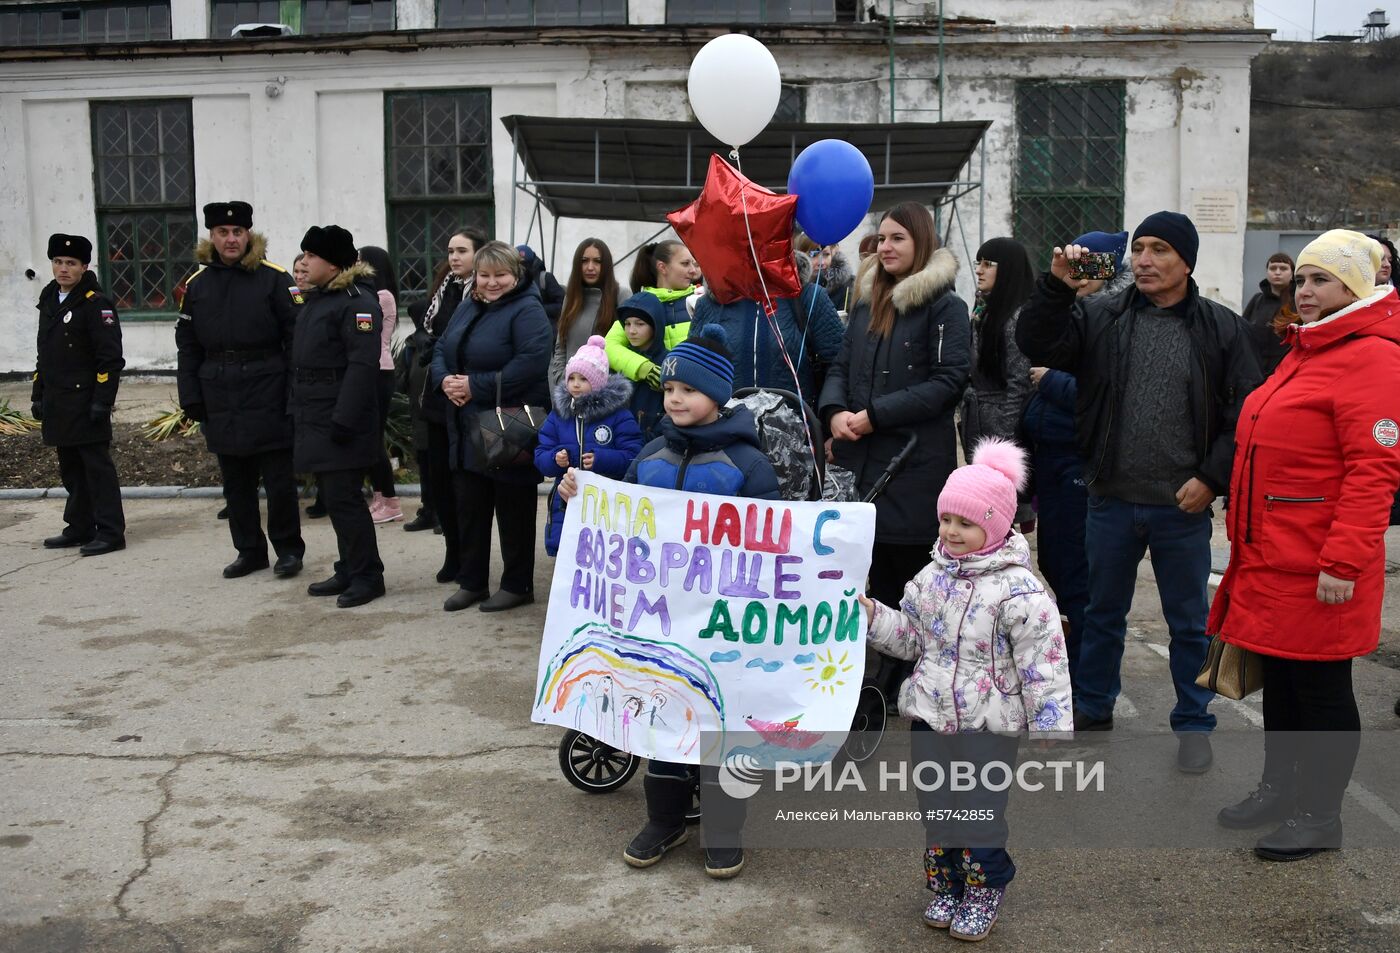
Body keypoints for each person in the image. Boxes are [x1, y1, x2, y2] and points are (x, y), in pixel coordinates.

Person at [1015, 210, 1263, 773]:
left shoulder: (1222, 328)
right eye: (1141, 249)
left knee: (1188, 623)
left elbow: (1244, 412)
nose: (1144, 260)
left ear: (1187, 262)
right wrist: (1056, 287)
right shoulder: (1101, 315)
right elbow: (1037, 341)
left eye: (1160, 250)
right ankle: (1095, 706)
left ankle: (1194, 723)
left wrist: (1211, 479)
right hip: (1110, 499)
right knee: (1103, 613)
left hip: (1183, 505)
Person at [557, 324, 780, 879]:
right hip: (658, 622)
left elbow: (777, 541)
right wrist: (580, 498)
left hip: (722, 626)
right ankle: (665, 819)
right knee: (659, 717)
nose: (675, 398)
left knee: (718, 728)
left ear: (719, 396)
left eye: (689, 390)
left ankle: (724, 828)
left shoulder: (748, 466)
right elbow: (619, 517)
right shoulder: (651, 455)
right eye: (669, 390)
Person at [1209, 230, 1400, 860]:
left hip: (1320, 562)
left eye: (1322, 279)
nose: (1304, 290)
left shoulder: (1372, 356)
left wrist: (1343, 560)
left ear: (1359, 287)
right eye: (1303, 278)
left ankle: (1321, 815)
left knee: (1320, 690)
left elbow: (1374, 470)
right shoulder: (1308, 348)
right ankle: (1279, 789)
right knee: (1285, 682)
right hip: (1272, 556)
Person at [859, 438, 1071, 941]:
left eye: (966, 523)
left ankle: (983, 889)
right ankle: (949, 885)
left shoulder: (1020, 589)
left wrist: (1050, 722)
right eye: (946, 520)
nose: (951, 532)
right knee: (937, 808)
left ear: (995, 526)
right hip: (931, 716)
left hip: (988, 725)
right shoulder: (931, 577)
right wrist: (872, 617)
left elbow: (1045, 662)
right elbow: (910, 637)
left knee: (978, 811)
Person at [819, 201, 971, 611]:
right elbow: (841, 365)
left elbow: (948, 382)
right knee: (855, 583)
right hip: (860, 466)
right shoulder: (867, 304)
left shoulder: (945, 307)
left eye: (897, 238)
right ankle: (866, 672)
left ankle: (899, 675)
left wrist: (875, 416)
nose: (885, 247)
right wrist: (833, 411)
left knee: (902, 587)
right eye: (882, 238)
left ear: (921, 242)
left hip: (911, 468)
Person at [1022, 230, 1133, 683]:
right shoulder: (1069, 312)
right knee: (1056, 563)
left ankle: (1088, 675)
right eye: (1077, 265)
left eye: (1092, 267)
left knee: (1079, 575)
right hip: (1051, 462)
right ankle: (1077, 657)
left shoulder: (1112, 320)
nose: (1082, 275)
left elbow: (1108, 394)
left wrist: (1049, 381)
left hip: (1081, 464)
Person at [176, 201, 304, 579]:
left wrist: (294, 393)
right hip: (220, 392)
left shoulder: (275, 278)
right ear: (211, 237)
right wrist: (191, 396)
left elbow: (297, 338)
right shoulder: (197, 286)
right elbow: (187, 345)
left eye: (237, 232)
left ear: (249, 234)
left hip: (268, 388)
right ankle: (249, 551)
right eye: (222, 232)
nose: (230, 239)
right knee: (236, 484)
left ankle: (288, 551)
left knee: (279, 481)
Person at [431, 240, 552, 613]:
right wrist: (446, 381)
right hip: (465, 420)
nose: (491, 282)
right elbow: (441, 347)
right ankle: (472, 581)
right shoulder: (468, 305)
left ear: (515, 275)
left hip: (507, 420)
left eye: (500, 275)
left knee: (512, 505)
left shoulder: (528, 310)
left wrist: (474, 385)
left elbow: (531, 362)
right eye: (484, 275)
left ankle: (517, 584)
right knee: (470, 504)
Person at [291, 225, 386, 608]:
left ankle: (367, 575)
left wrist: (343, 419)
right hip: (315, 412)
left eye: (311, 256)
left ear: (331, 263)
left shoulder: (357, 301)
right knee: (333, 497)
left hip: (340, 417)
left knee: (345, 498)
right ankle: (349, 566)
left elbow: (362, 365)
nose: (305, 262)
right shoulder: (319, 299)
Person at [31, 233, 125, 556]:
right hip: (59, 400)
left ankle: (111, 530)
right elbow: (44, 353)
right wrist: (37, 392)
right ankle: (80, 526)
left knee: (97, 469)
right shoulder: (49, 300)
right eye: (58, 262)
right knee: (70, 468)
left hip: (86, 401)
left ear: (84, 266)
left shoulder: (95, 303)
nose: (63, 269)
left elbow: (110, 358)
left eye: (71, 263)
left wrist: (103, 400)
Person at [534, 335, 643, 557]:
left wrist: (602, 459)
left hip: (606, 500)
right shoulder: (559, 416)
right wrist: (556, 459)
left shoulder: (619, 416)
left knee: (604, 554)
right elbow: (541, 455)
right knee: (568, 552)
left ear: (598, 381)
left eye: (583, 378)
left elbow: (633, 456)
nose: (575, 384)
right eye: (571, 377)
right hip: (567, 498)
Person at [419, 226, 487, 581]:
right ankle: (452, 551)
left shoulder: (484, 290)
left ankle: (471, 557)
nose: (454, 258)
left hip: (469, 395)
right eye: (450, 251)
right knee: (440, 480)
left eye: (462, 251)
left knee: (467, 484)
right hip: (438, 394)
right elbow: (435, 336)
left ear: (479, 253)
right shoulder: (444, 290)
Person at [691, 249, 843, 400]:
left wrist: (831, 411)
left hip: (794, 419)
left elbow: (838, 365)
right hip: (726, 421)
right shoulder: (710, 303)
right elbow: (692, 371)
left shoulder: (808, 296)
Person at [960, 238, 1036, 489]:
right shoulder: (984, 310)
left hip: (1001, 427)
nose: (979, 270)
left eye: (988, 264)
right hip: (979, 420)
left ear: (1009, 269)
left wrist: (1004, 439)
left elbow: (1019, 381)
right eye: (978, 263)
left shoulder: (1015, 316)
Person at [604, 240, 698, 389]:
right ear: (662, 267)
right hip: (654, 400)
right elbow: (608, 346)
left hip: (696, 395)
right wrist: (644, 368)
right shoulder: (640, 304)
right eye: (685, 264)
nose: (693, 270)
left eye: (694, 264)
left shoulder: (699, 302)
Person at [356, 245, 404, 524]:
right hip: (372, 370)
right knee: (369, 438)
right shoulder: (370, 294)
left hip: (380, 370)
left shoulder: (382, 297)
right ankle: (380, 497)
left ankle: (391, 501)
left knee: (374, 440)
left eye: (360, 261)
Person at [401, 260, 449, 533]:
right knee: (424, 453)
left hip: (440, 391)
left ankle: (442, 511)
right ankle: (429, 507)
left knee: (440, 458)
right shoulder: (429, 310)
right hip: (420, 393)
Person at [548, 238, 625, 391]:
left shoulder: (621, 295)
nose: (590, 267)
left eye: (597, 261)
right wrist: (562, 382)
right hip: (569, 391)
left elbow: (625, 349)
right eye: (584, 261)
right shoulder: (571, 297)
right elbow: (561, 347)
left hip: (604, 395)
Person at [613, 292, 670, 442]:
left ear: (655, 325)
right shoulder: (618, 360)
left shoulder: (669, 362)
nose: (631, 331)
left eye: (640, 324)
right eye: (627, 323)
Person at [1240, 252, 1294, 376]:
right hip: (1255, 370)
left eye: (1283, 268)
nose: (1278, 272)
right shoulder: (1257, 300)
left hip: (1286, 371)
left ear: (1292, 274)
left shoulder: (1298, 302)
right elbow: (1243, 332)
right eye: (1273, 268)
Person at [795, 233, 856, 314]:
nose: (821, 262)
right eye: (814, 254)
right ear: (801, 257)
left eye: (826, 254)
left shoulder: (847, 286)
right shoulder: (791, 290)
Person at [516, 244, 565, 326]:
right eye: (518, 264)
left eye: (524, 264)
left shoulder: (545, 278)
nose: (522, 268)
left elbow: (563, 305)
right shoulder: (509, 281)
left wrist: (538, 309)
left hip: (546, 327)